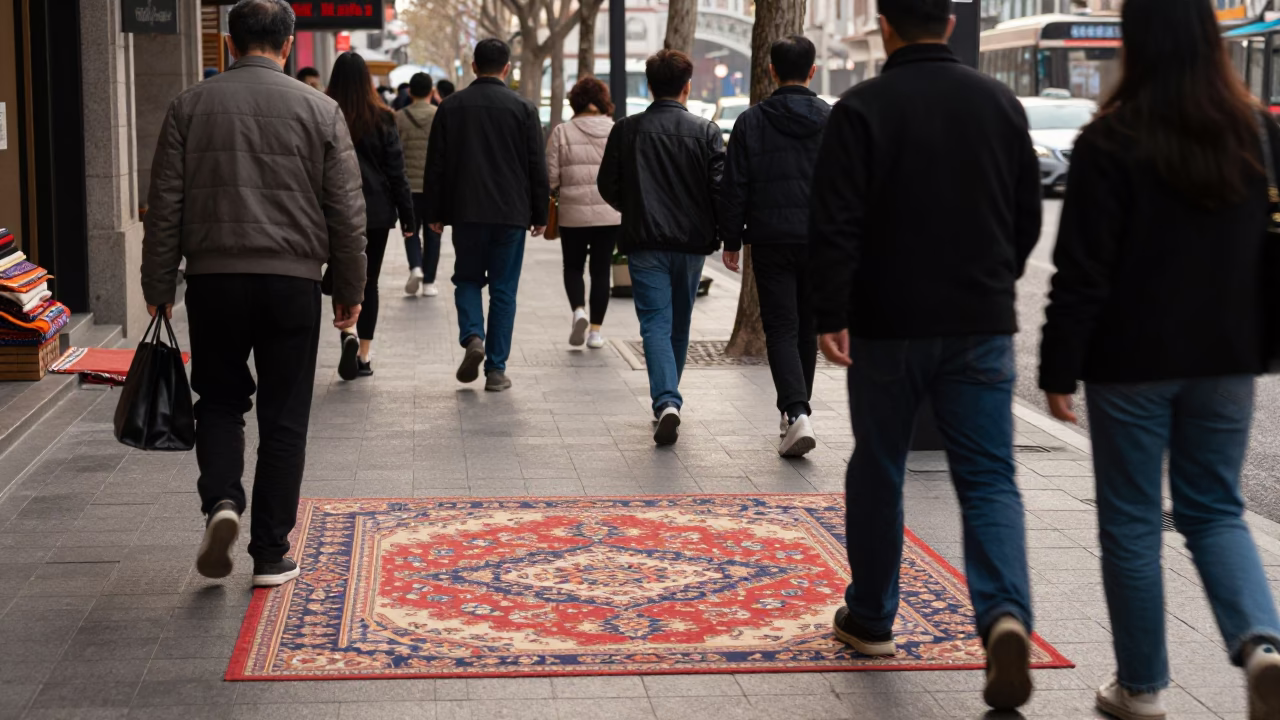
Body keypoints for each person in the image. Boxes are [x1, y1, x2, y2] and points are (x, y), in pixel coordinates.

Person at [1039, 0, 1280, 717]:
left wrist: (1057, 367)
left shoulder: (1111, 139)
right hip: (1228, 355)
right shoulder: (1259, 133)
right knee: (1216, 509)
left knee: (1133, 521)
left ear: (1133, 46)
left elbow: (1080, 271)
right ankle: (1262, 644)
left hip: (1130, 358)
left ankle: (1141, 688)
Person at [808, 0, 1042, 710]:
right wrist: (994, 282)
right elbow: (1026, 216)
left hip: (887, 322)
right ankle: (1004, 616)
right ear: (948, 22)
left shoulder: (861, 108)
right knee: (990, 475)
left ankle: (872, 617)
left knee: (879, 461)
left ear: (884, 26)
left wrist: (831, 313)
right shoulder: (999, 104)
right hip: (980, 321)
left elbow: (836, 222)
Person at [140, 0, 366, 587]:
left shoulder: (189, 105)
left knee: (218, 401)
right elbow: (346, 210)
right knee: (285, 416)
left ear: (229, 42)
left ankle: (221, 502)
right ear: (288, 44)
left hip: (213, 279)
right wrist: (349, 287)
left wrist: (158, 282)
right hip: (292, 281)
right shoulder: (321, 109)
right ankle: (270, 553)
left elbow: (166, 203)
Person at [598, 49, 724, 446]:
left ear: (650, 85)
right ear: (687, 86)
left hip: (644, 239)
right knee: (680, 322)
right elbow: (719, 189)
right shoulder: (706, 131)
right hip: (690, 243)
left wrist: (632, 207)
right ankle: (668, 399)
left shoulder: (626, 129)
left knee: (654, 321)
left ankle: (666, 400)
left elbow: (607, 184)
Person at [717, 35, 829, 458]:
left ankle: (796, 412)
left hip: (769, 237)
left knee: (781, 327)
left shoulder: (750, 121)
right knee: (807, 329)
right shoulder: (831, 119)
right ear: (812, 71)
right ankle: (796, 414)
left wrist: (731, 238)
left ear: (770, 71)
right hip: (819, 239)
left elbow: (735, 186)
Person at [424, 38, 549, 392]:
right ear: (507, 69)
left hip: (466, 211)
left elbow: (436, 165)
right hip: (511, 213)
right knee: (504, 290)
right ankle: (496, 370)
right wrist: (540, 213)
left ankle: (473, 337)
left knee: (466, 279)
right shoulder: (523, 109)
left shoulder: (451, 107)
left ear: (474, 66)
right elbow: (535, 166)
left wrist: (433, 212)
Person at [327, 52, 415, 380]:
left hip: (330, 210)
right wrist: (408, 218)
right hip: (375, 211)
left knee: (340, 273)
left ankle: (346, 333)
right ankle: (363, 353)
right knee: (370, 281)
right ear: (368, 80)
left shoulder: (323, 112)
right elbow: (397, 173)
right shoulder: (384, 117)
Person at [546, 77, 620, 350]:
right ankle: (595, 334)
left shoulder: (562, 132)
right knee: (601, 272)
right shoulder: (616, 130)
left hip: (572, 214)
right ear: (603, 101)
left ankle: (578, 311)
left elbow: (552, 178)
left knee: (574, 267)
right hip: (609, 214)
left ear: (574, 101)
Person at [395, 72, 441, 297]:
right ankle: (429, 283)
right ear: (432, 91)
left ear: (410, 92)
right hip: (434, 188)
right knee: (434, 233)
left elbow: (394, 153)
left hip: (408, 187)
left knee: (411, 231)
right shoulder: (440, 115)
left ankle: (415, 267)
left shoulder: (399, 117)